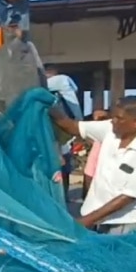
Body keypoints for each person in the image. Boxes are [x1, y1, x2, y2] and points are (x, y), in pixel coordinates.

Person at [52, 97, 136, 234]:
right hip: (99, 219)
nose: (113, 121)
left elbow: (127, 196)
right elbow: (73, 126)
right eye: (112, 116)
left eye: (119, 118)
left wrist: (85, 221)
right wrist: (49, 105)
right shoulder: (111, 130)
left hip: (127, 223)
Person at [45, 66, 81, 199]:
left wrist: (78, 121)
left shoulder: (61, 85)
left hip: (61, 140)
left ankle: (62, 196)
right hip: (58, 139)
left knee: (63, 169)